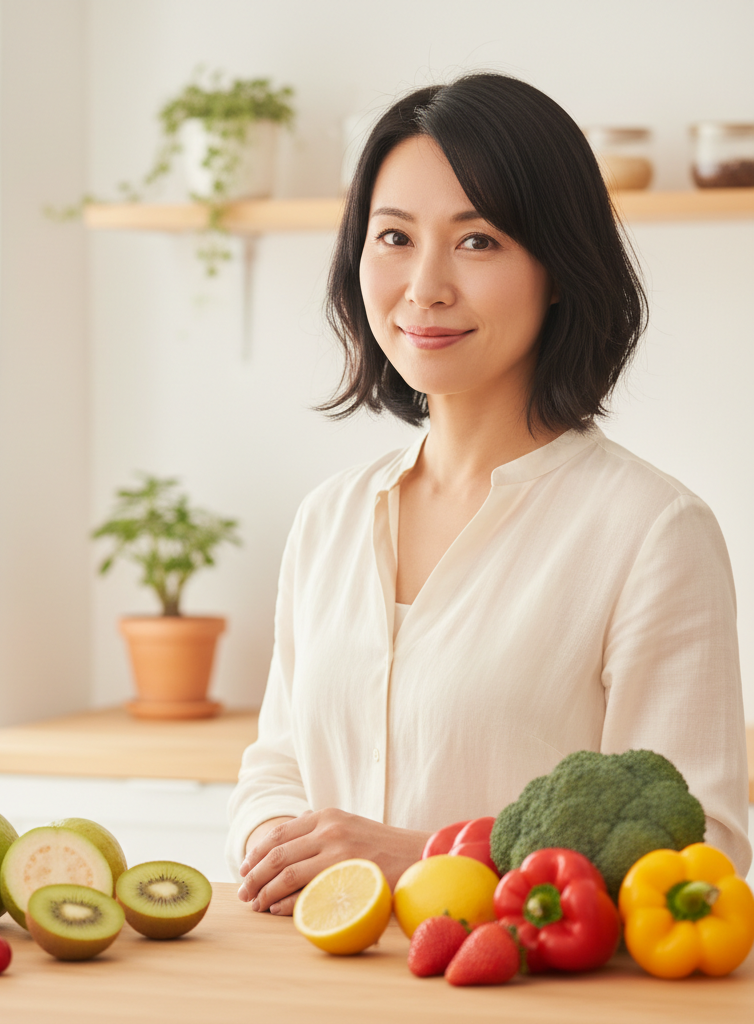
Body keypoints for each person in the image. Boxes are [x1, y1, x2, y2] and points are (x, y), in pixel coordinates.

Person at [228, 73, 751, 916]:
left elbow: (699, 850)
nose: (425, 286)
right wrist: (278, 842)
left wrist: (423, 858)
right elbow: (278, 765)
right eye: (393, 236)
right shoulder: (330, 517)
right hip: (321, 982)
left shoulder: (653, 532)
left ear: (560, 268)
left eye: (477, 242)